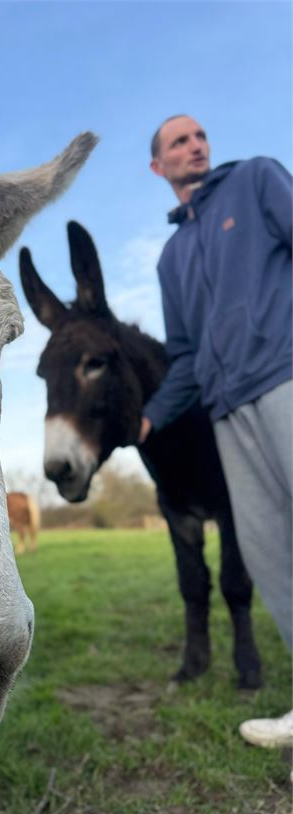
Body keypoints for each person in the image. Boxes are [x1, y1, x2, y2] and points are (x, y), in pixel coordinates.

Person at [140, 115, 292, 747]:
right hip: (226, 409)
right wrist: (145, 418)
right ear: (159, 167)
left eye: (199, 136)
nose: (195, 145)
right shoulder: (170, 257)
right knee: (269, 552)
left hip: (285, 376)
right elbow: (183, 356)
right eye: (179, 142)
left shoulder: (257, 180)